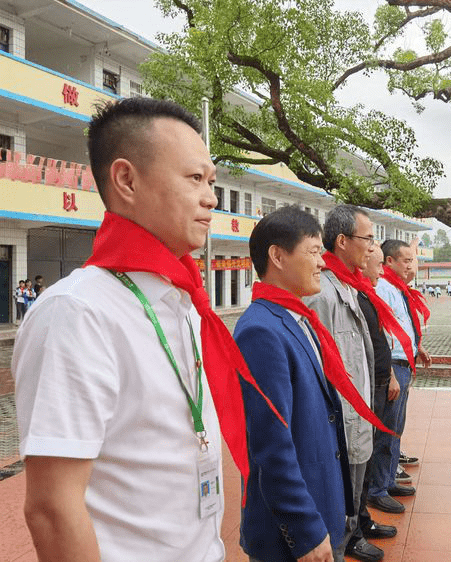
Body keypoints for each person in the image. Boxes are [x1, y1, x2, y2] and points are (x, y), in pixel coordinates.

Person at [12, 97, 282, 561]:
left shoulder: (184, 304)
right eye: (195, 178)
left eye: (212, 181)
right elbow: (52, 509)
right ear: (126, 179)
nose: (211, 198)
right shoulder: (78, 314)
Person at [233, 206, 353, 562]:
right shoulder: (260, 330)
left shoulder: (295, 317)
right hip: (292, 537)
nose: (323, 263)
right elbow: (271, 446)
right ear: (277, 256)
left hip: (321, 509)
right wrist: (305, 531)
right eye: (314, 252)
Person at [304, 204, 384, 562]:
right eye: (367, 238)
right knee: (336, 512)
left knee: (350, 502)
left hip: (357, 416)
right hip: (341, 425)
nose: (371, 246)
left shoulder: (348, 286)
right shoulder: (322, 294)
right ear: (341, 241)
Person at [374, 240, 431, 496]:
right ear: (390, 262)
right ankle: (378, 489)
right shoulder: (384, 288)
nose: (411, 266)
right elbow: (382, 334)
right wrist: (391, 374)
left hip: (404, 362)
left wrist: (416, 348)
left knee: (396, 428)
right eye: (406, 261)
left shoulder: (397, 288)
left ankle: (388, 480)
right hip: (394, 367)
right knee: (387, 429)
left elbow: (400, 328)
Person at [355, 245, 405, 523]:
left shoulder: (367, 293)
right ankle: (365, 508)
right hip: (370, 384)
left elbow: (381, 339)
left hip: (381, 378)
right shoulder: (357, 295)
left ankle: (365, 510)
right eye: (376, 265)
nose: (381, 272)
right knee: (367, 448)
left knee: (383, 438)